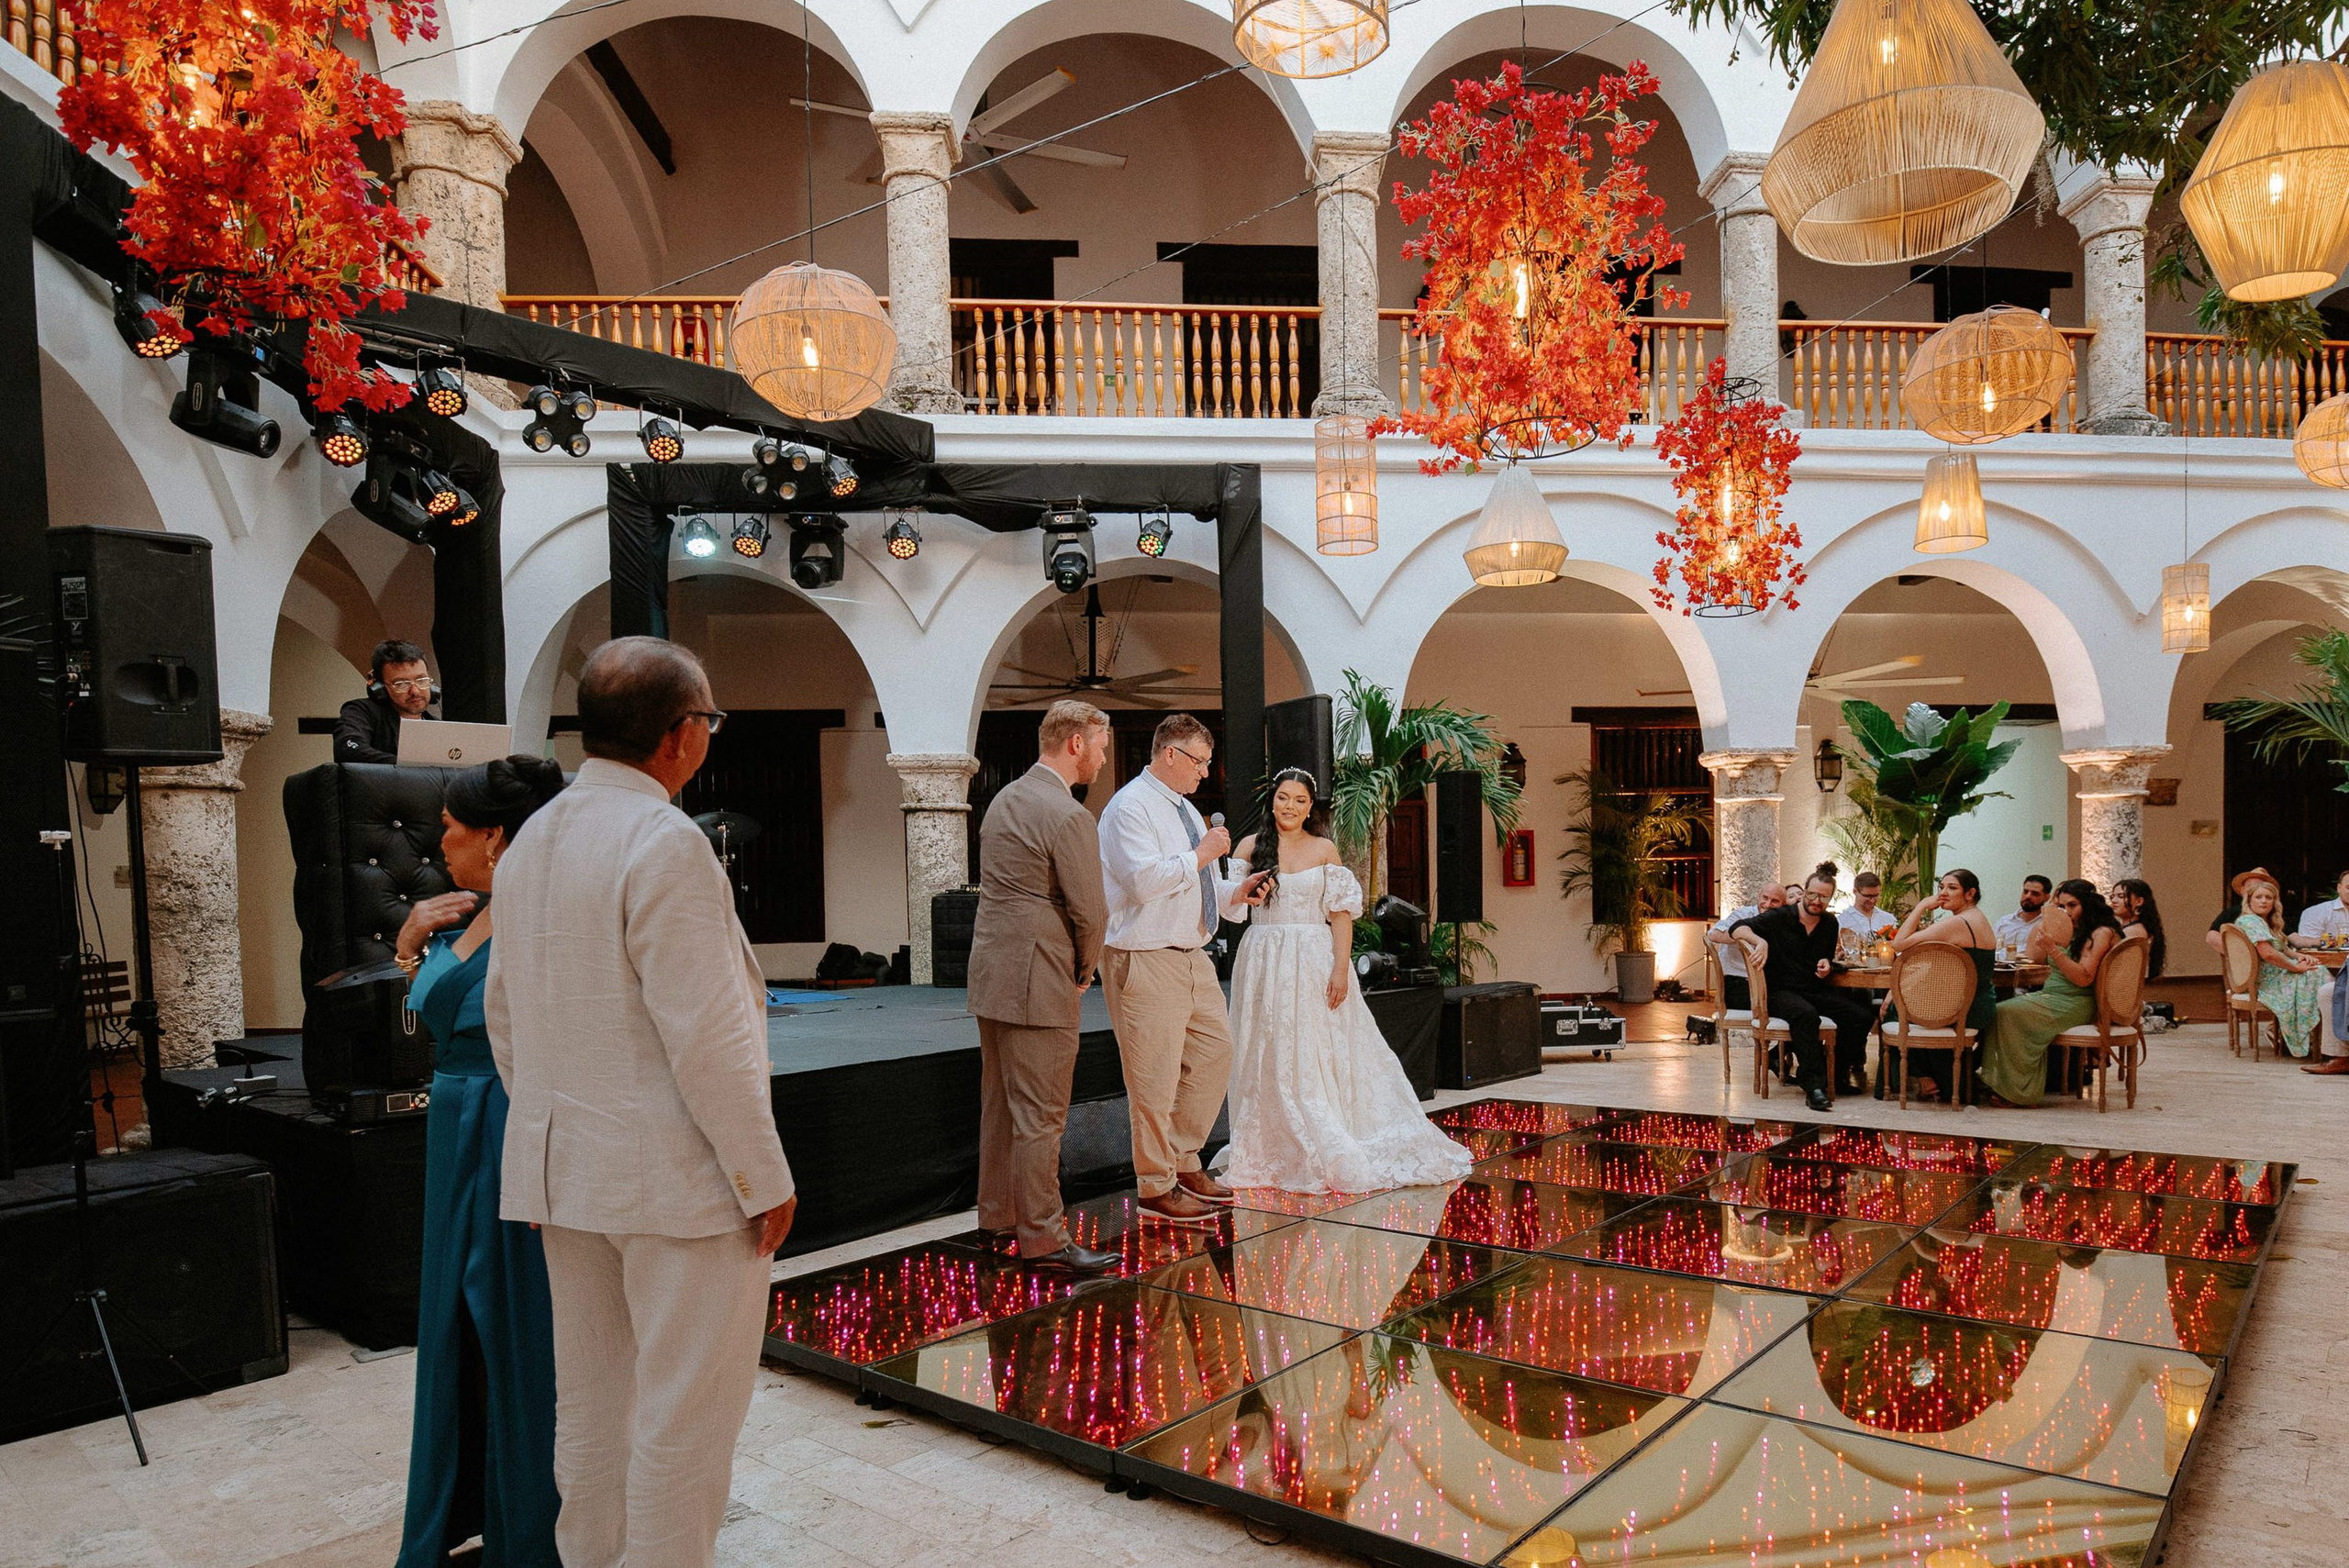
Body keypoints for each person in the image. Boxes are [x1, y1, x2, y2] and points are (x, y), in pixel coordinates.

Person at [486, 637, 796, 1568]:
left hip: (566, 1173)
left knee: (589, 1405)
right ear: (677, 735)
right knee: (683, 1419)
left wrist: (544, 1147)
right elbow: (708, 1037)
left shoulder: (533, 834)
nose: (707, 732)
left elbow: (506, 1016)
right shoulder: (664, 841)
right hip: (678, 1184)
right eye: (707, 717)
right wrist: (761, 1174)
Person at [393, 756, 567, 1568]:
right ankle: (467, 1509)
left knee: (509, 1318)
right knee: (457, 1321)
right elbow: (428, 1010)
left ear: (495, 836)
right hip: (455, 1125)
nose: (441, 839)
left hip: (502, 1123)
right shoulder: (472, 910)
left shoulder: (540, 916)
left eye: (452, 827)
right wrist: (409, 946)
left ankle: (527, 1527)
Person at [1219, 769, 1472, 1194]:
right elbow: (1229, 912)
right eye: (1284, 798)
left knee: (1314, 1044)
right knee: (1265, 1045)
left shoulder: (1324, 849)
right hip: (1262, 956)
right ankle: (1268, 1145)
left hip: (1313, 956)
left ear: (1311, 807)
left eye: (1300, 801)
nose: (1290, 807)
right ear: (1272, 800)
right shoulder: (1250, 847)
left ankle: (1323, 1133)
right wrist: (1242, 895)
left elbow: (1339, 915)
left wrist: (1341, 968)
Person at [1097, 713, 1272, 1222]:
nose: (1204, 773)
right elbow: (1141, 883)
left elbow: (1201, 888)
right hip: (1144, 955)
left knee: (1217, 1052)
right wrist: (1200, 855)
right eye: (1199, 762)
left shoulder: (1190, 814)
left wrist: (1237, 892)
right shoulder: (1128, 807)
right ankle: (1154, 1186)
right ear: (1169, 754)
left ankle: (1182, 1159)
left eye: (1208, 763)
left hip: (1192, 955)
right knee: (1153, 1077)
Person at [963, 701, 1117, 1273]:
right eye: (1100, 746)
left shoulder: (1003, 799)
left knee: (1000, 1108)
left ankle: (997, 1220)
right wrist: (1082, 970)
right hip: (1040, 977)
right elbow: (1091, 912)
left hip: (991, 974)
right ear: (1075, 743)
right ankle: (1045, 1240)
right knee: (1042, 1115)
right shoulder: (1069, 814)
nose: (1102, 758)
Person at [1731, 862, 1876, 1111]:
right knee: (1805, 1015)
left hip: (1812, 989)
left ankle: (1836, 1076)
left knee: (1860, 1016)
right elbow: (1737, 928)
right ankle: (1814, 1087)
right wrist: (1759, 941)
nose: (1816, 900)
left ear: (1830, 898)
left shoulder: (1830, 923)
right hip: (1778, 991)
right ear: (1804, 890)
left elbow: (1825, 958)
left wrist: (1827, 964)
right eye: (1812, 894)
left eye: (1823, 897)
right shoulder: (1780, 917)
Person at [1979, 879, 2122, 1106]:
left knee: (2006, 1012)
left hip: (2077, 1000)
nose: (2065, 912)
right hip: (2053, 995)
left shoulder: (2100, 932)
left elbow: (2083, 978)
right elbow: (2035, 958)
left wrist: (2054, 949)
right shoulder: (2071, 929)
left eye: (2072, 905)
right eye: (2060, 907)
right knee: (1998, 1011)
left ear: (2087, 904)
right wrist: (2044, 926)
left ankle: (2021, 1092)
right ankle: (2002, 1082)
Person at [1881, 869, 1998, 1102]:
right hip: (1978, 1003)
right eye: (1941, 887)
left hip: (1963, 1008)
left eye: (1952, 888)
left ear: (1970, 893)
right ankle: (1931, 1078)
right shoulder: (1975, 917)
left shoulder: (1958, 922)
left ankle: (1921, 1078)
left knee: (1895, 1012)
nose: (1943, 893)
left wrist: (1921, 906)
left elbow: (1899, 943)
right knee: (1908, 1007)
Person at [2229, 869, 2324, 1059]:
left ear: (2274, 902)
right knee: (2317, 975)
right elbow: (2269, 954)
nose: (2264, 901)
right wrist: (2296, 967)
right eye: (2259, 897)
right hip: (2265, 979)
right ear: (2249, 901)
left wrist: (2299, 957)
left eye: (2268, 897)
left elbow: (2282, 948)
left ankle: (2313, 1037)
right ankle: (2307, 1038)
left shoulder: (2267, 922)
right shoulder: (2250, 921)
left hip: (2278, 972)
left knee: (2317, 971)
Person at [336, 639, 438, 763]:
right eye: (401, 684)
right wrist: (406, 765)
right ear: (380, 688)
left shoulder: (436, 725)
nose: (415, 691)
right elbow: (349, 749)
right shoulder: (361, 711)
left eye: (421, 680)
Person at [2292, 868, 2349, 1074]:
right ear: (2339, 888)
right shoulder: (2318, 912)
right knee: (2328, 990)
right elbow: (2306, 947)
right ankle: (2340, 1056)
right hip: (2331, 968)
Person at [1707, 883, 1787, 1011]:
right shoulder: (1743, 914)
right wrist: (1754, 939)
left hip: (1767, 985)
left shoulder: (1783, 921)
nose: (1767, 904)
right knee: (1790, 1006)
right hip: (1738, 985)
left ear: (1783, 904)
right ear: (1759, 896)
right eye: (1765, 898)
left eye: (1774, 901)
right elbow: (1714, 935)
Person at [2109, 878, 2168, 979]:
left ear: (2139, 901)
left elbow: (2121, 967)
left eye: (2121, 896)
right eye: (2112, 896)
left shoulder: (2134, 931)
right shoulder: (2131, 928)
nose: (2114, 900)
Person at [1837, 872, 1898, 952]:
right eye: (1868, 896)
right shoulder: (1842, 921)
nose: (1872, 900)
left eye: (1876, 895)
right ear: (1855, 892)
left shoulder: (1888, 918)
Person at [1992, 874, 2051, 953]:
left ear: (2046, 898)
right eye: (2025, 891)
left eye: (2035, 894)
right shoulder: (2004, 921)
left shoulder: (2048, 924)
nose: (2028, 896)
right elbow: (1992, 948)